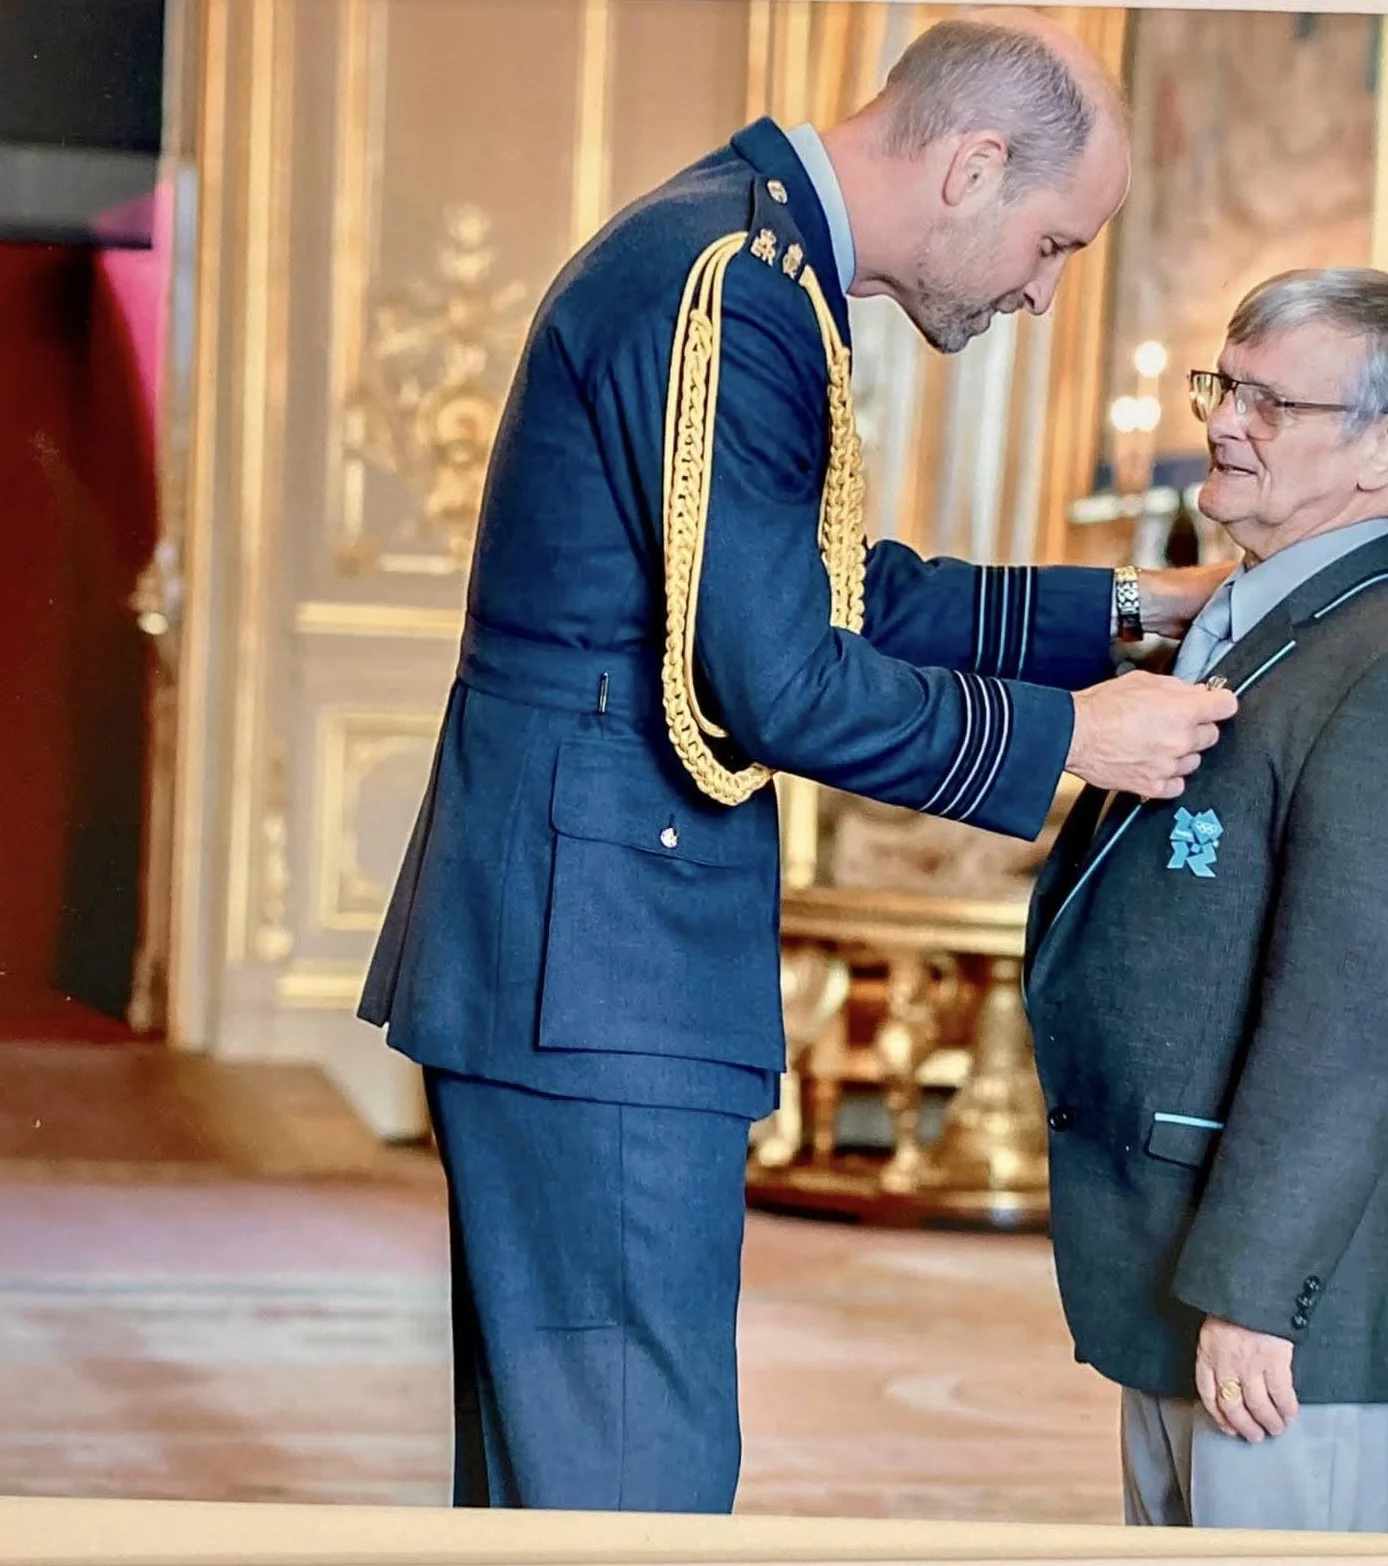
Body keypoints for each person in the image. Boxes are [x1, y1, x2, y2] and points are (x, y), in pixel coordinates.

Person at [358, 8, 1236, 1514]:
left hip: (585, 944)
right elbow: (783, 680)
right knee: (628, 1477)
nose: (1040, 292)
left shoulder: (752, 258)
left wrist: (1133, 611)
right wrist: (1077, 736)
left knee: (564, 1467)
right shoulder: (735, 285)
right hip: (602, 964)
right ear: (971, 165)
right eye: (1053, 245)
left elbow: (841, 590)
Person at [1024, 267, 1388, 1532]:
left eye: (1268, 402)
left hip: (1290, 1309)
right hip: (1185, 1267)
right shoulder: (1262, 625)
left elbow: (1361, 1023)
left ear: (1384, 446)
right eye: (1220, 387)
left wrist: (1252, 1289)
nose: (1222, 424)